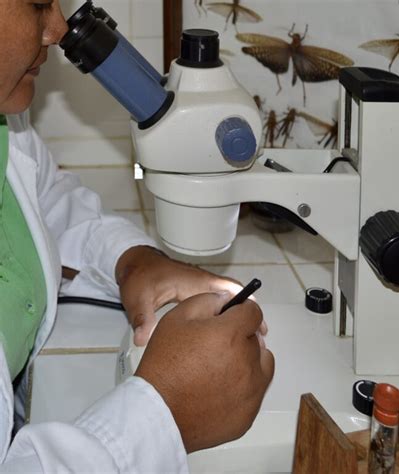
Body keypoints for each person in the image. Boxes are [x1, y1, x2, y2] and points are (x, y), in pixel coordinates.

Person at [0, 1, 274, 472]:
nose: (58, 27)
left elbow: (43, 200)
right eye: (39, 3)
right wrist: (165, 413)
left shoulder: (7, 118)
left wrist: (133, 260)